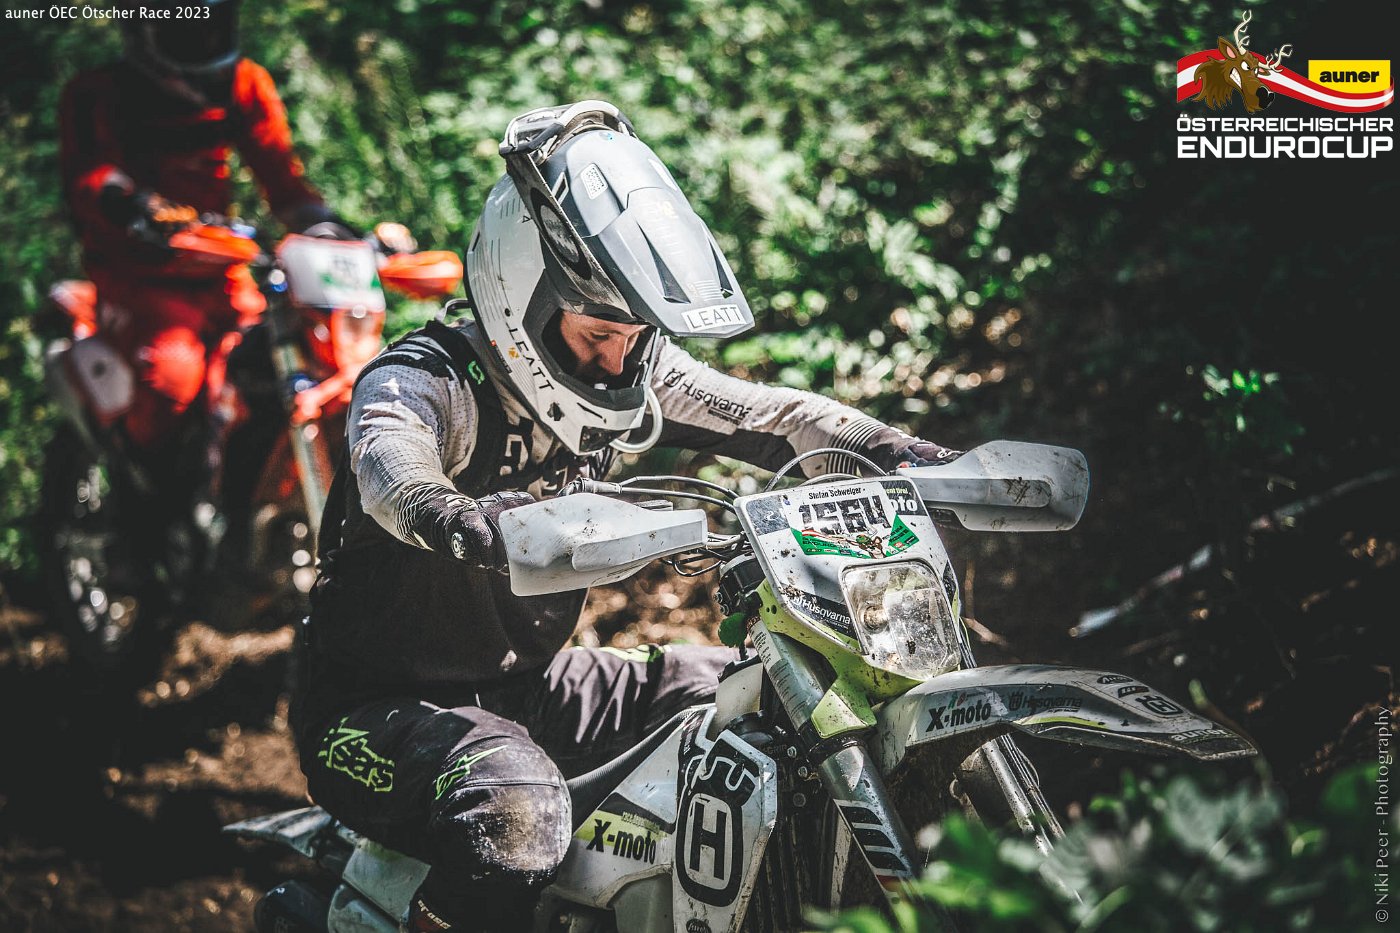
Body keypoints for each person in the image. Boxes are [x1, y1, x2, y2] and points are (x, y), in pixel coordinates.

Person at [292, 101, 961, 933]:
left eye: (635, 335)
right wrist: (461, 516)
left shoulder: (636, 369)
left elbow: (780, 417)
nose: (617, 360)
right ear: (520, 294)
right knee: (517, 817)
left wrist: (907, 453)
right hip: (370, 708)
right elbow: (389, 461)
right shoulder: (431, 380)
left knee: (774, 704)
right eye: (596, 334)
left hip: (532, 687)